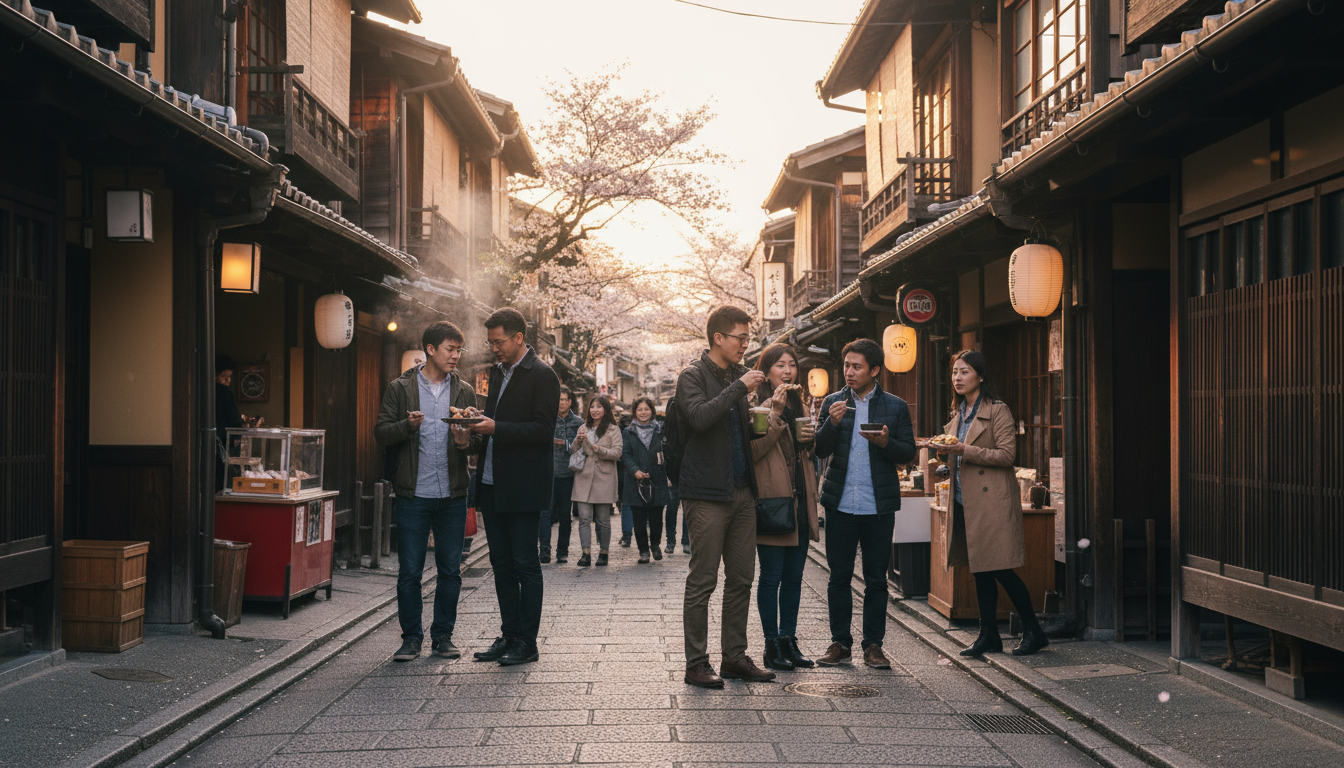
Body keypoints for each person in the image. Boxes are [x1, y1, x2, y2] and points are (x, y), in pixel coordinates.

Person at [676, 305, 775, 688]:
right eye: (741, 338)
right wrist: (739, 389)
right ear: (718, 338)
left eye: (748, 338)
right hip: (705, 493)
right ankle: (696, 663)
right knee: (703, 580)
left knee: (742, 578)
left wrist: (760, 417)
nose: (746, 345)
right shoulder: (692, 376)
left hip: (741, 489)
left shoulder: (738, 376)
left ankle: (734, 656)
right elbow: (699, 418)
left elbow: (733, 431)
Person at [375, 322, 479, 662]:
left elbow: (475, 438)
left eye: (459, 350)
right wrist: (407, 426)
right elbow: (381, 433)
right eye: (450, 349)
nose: (456, 356)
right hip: (412, 494)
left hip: (452, 493)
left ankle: (443, 637)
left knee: (450, 570)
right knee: (410, 572)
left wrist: (466, 441)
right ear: (431, 349)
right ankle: (410, 638)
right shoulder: (400, 388)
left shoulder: (463, 391)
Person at [937, 350, 1049, 657]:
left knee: (1000, 568)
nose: (957, 378)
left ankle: (1033, 630)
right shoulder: (958, 411)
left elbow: (1006, 455)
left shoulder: (997, 410)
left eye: (965, 372)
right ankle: (989, 635)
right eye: (955, 372)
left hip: (992, 502)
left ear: (981, 377)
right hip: (964, 499)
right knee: (981, 570)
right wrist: (943, 450)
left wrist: (963, 449)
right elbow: (956, 453)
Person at [814, 338, 916, 670]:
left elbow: (907, 453)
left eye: (857, 367)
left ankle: (873, 645)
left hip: (878, 505)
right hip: (840, 504)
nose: (849, 372)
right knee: (838, 577)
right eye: (846, 366)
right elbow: (819, 449)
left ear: (874, 370)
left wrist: (887, 442)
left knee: (875, 579)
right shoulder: (833, 402)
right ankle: (840, 643)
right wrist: (832, 422)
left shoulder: (896, 406)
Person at [468, 308, 561, 667]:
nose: (494, 348)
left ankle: (528, 641)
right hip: (492, 482)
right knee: (501, 563)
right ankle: (508, 634)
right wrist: (473, 428)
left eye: (499, 341)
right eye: (491, 342)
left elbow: (542, 431)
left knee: (525, 564)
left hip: (523, 485)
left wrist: (496, 428)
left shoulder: (542, 375)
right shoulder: (496, 373)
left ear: (519, 338)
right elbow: (494, 424)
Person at [749, 344, 820, 671]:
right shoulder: (759, 407)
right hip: (774, 502)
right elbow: (755, 452)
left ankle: (789, 641)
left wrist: (810, 436)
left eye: (792, 365)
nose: (788, 371)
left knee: (794, 578)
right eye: (780, 365)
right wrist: (774, 413)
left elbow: (806, 451)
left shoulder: (799, 401)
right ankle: (771, 644)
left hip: (800, 501)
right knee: (771, 577)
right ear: (766, 370)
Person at [570, 394, 623, 567]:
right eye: (592, 407)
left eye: (599, 407)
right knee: (584, 518)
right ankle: (585, 554)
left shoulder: (614, 430)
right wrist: (577, 441)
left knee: (603, 520)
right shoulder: (583, 427)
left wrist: (599, 449)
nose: (595, 410)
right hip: (583, 477)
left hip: (604, 478)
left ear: (606, 409)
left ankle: (604, 553)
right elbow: (572, 450)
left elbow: (617, 453)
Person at [622, 396, 670, 564]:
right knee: (639, 519)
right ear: (635, 412)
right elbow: (625, 454)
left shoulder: (661, 430)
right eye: (640, 409)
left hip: (657, 477)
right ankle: (643, 550)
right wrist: (635, 471)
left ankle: (655, 544)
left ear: (652, 411)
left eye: (646, 409)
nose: (643, 413)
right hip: (635, 480)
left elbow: (668, 450)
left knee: (657, 517)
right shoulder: (628, 432)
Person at [545, 387, 584, 564]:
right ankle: (544, 550)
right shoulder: (546, 420)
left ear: (570, 402)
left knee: (565, 516)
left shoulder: (578, 423)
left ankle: (563, 551)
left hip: (568, 475)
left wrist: (566, 444)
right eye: (558, 399)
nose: (561, 402)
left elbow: (582, 449)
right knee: (544, 514)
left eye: (564, 399)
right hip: (547, 473)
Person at [215, 354, 261, 491]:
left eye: (230, 377)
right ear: (215, 375)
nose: (228, 380)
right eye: (224, 376)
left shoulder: (205, 391)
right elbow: (232, 421)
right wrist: (244, 423)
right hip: (222, 446)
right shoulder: (223, 392)